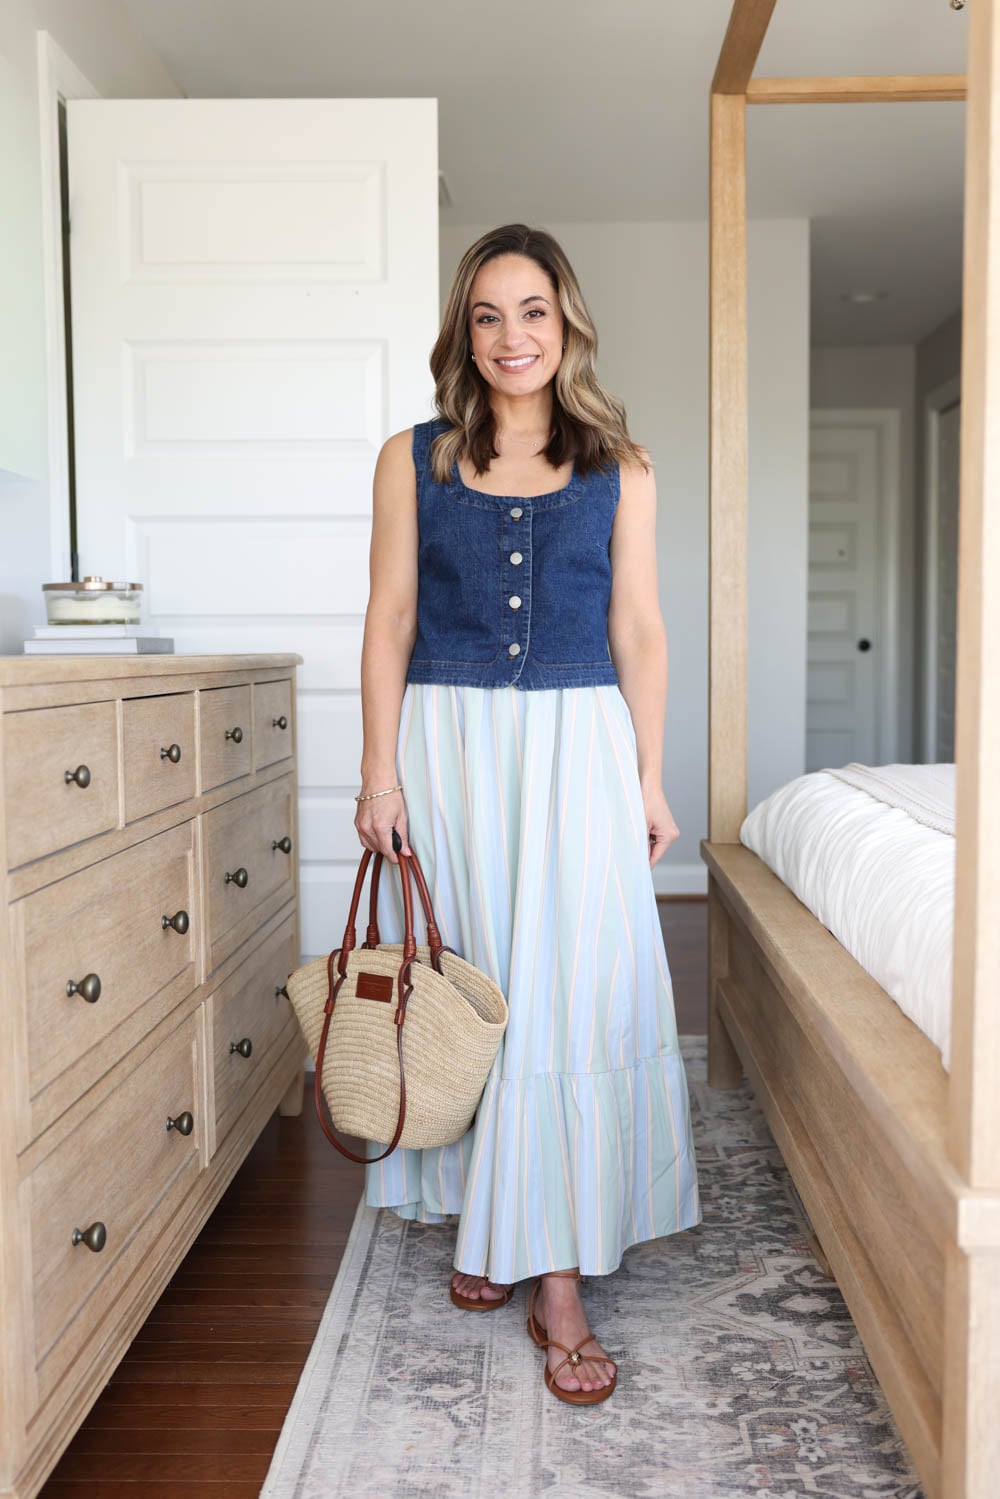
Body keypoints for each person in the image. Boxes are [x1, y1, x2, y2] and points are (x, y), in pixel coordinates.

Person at [353, 223, 701, 1405]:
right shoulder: (413, 459)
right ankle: (485, 1219)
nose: (512, 337)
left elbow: (640, 631)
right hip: (449, 746)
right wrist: (378, 771)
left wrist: (648, 775)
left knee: (560, 995)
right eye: (489, 315)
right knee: (474, 983)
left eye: (534, 312)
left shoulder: (622, 465)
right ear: (465, 332)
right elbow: (389, 618)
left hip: (575, 743)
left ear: (567, 324)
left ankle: (554, 1277)